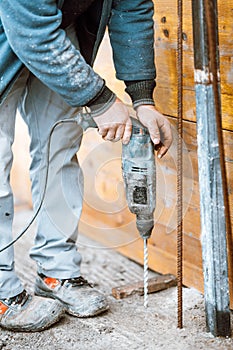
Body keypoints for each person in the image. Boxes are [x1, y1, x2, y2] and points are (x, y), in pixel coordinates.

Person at [0, 0, 173, 332]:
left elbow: (132, 7)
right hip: (17, 23)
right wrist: (100, 99)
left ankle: (56, 272)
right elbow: (29, 25)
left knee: (60, 145)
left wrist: (142, 97)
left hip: (56, 32)